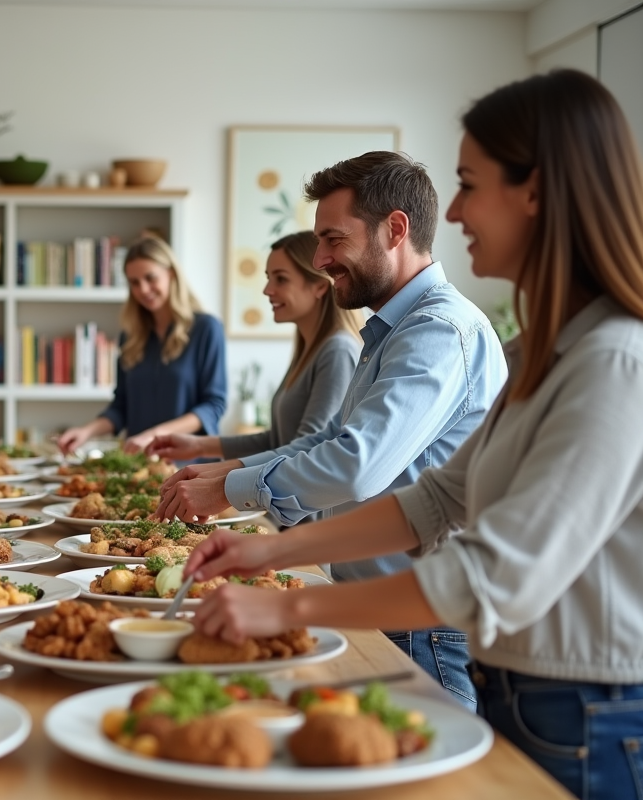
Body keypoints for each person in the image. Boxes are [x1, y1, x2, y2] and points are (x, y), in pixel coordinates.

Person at [184, 69, 643, 799]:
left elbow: (489, 575)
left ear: (536, 192)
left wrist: (284, 602)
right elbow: (434, 502)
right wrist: (266, 550)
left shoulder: (613, 359)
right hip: (521, 689)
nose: (453, 211)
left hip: (584, 711)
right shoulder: (541, 349)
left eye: (469, 184)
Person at [156, 151, 507, 709]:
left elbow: (357, 464)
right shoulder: (395, 330)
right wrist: (227, 473)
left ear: (395, 230)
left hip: (420, 631)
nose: (321, 259)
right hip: (382, 610)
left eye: (333, 240)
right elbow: (332, 440)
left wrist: (230, 488)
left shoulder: (438, 332)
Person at [147, 230, 362, 477]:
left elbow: (307, 450)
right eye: (269, 278)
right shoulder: (310, 350)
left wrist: (215, 473)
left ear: (320, 287)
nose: (267, 290)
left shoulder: (337, 351)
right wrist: (199, 445)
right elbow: (277, 440)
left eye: (281, 279)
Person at [57, 235, 228, 455]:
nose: (144, 289)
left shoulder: (206, 328)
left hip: (190, 464)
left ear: (171, 274)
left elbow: (213, 406)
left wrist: (155, 434)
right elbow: (121, 407)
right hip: (140, 462)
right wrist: (86, 431)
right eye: (134, 283)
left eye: (150, 278)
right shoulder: (130, 337)